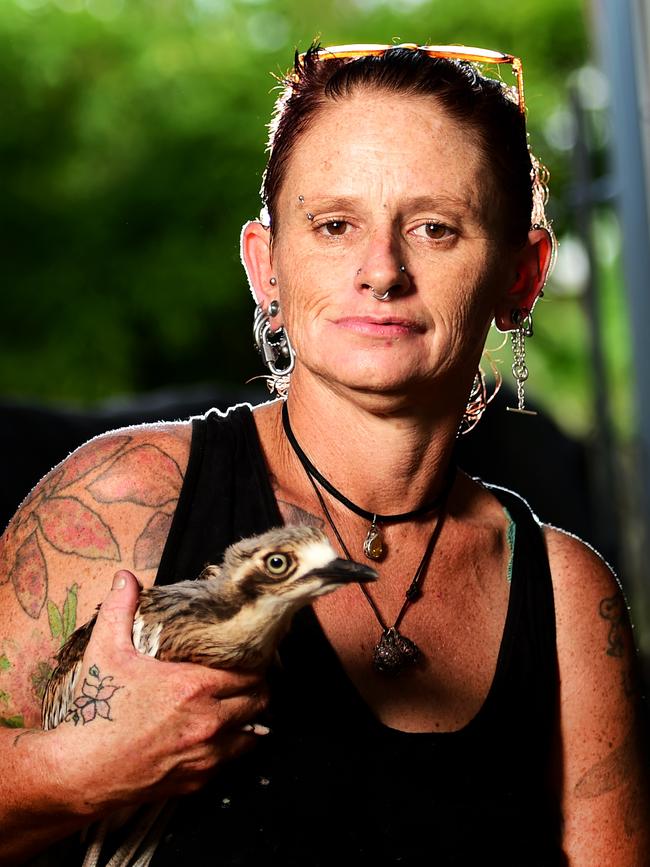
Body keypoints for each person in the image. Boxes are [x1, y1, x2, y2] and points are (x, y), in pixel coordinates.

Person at [1, 42, 648, 866]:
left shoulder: (566, 600)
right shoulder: (118, 500)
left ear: (521, 277)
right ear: (265, 266)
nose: (381, 270)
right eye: (335, 225)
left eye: (435, 228)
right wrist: (74, 771)